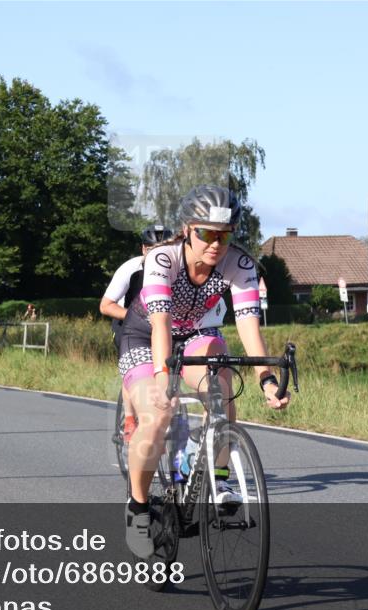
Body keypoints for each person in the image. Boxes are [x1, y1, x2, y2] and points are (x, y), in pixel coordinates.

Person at [117, 185, 290, 558]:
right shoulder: (163, 259)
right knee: (157, 414)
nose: (215, 244)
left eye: (224, 236)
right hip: (145, 335)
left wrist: (266, 379)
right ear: (186, 229)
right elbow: (161, 325)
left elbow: (249, 328)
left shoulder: (239, 265)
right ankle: (138, 508)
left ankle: (221, 478)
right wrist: (163, 382)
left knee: (221, 379)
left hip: (196, 334)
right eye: (206, 234)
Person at [100, 225, 175, 444]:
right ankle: (130, 420)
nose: (157, 255)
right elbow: (105, 306)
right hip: (128, 324)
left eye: (163, 249)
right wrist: (138, 318)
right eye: (151, 250)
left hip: (162, 325)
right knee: (132, 364)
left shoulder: (175, 268)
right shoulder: (130, 269)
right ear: (143, 249)